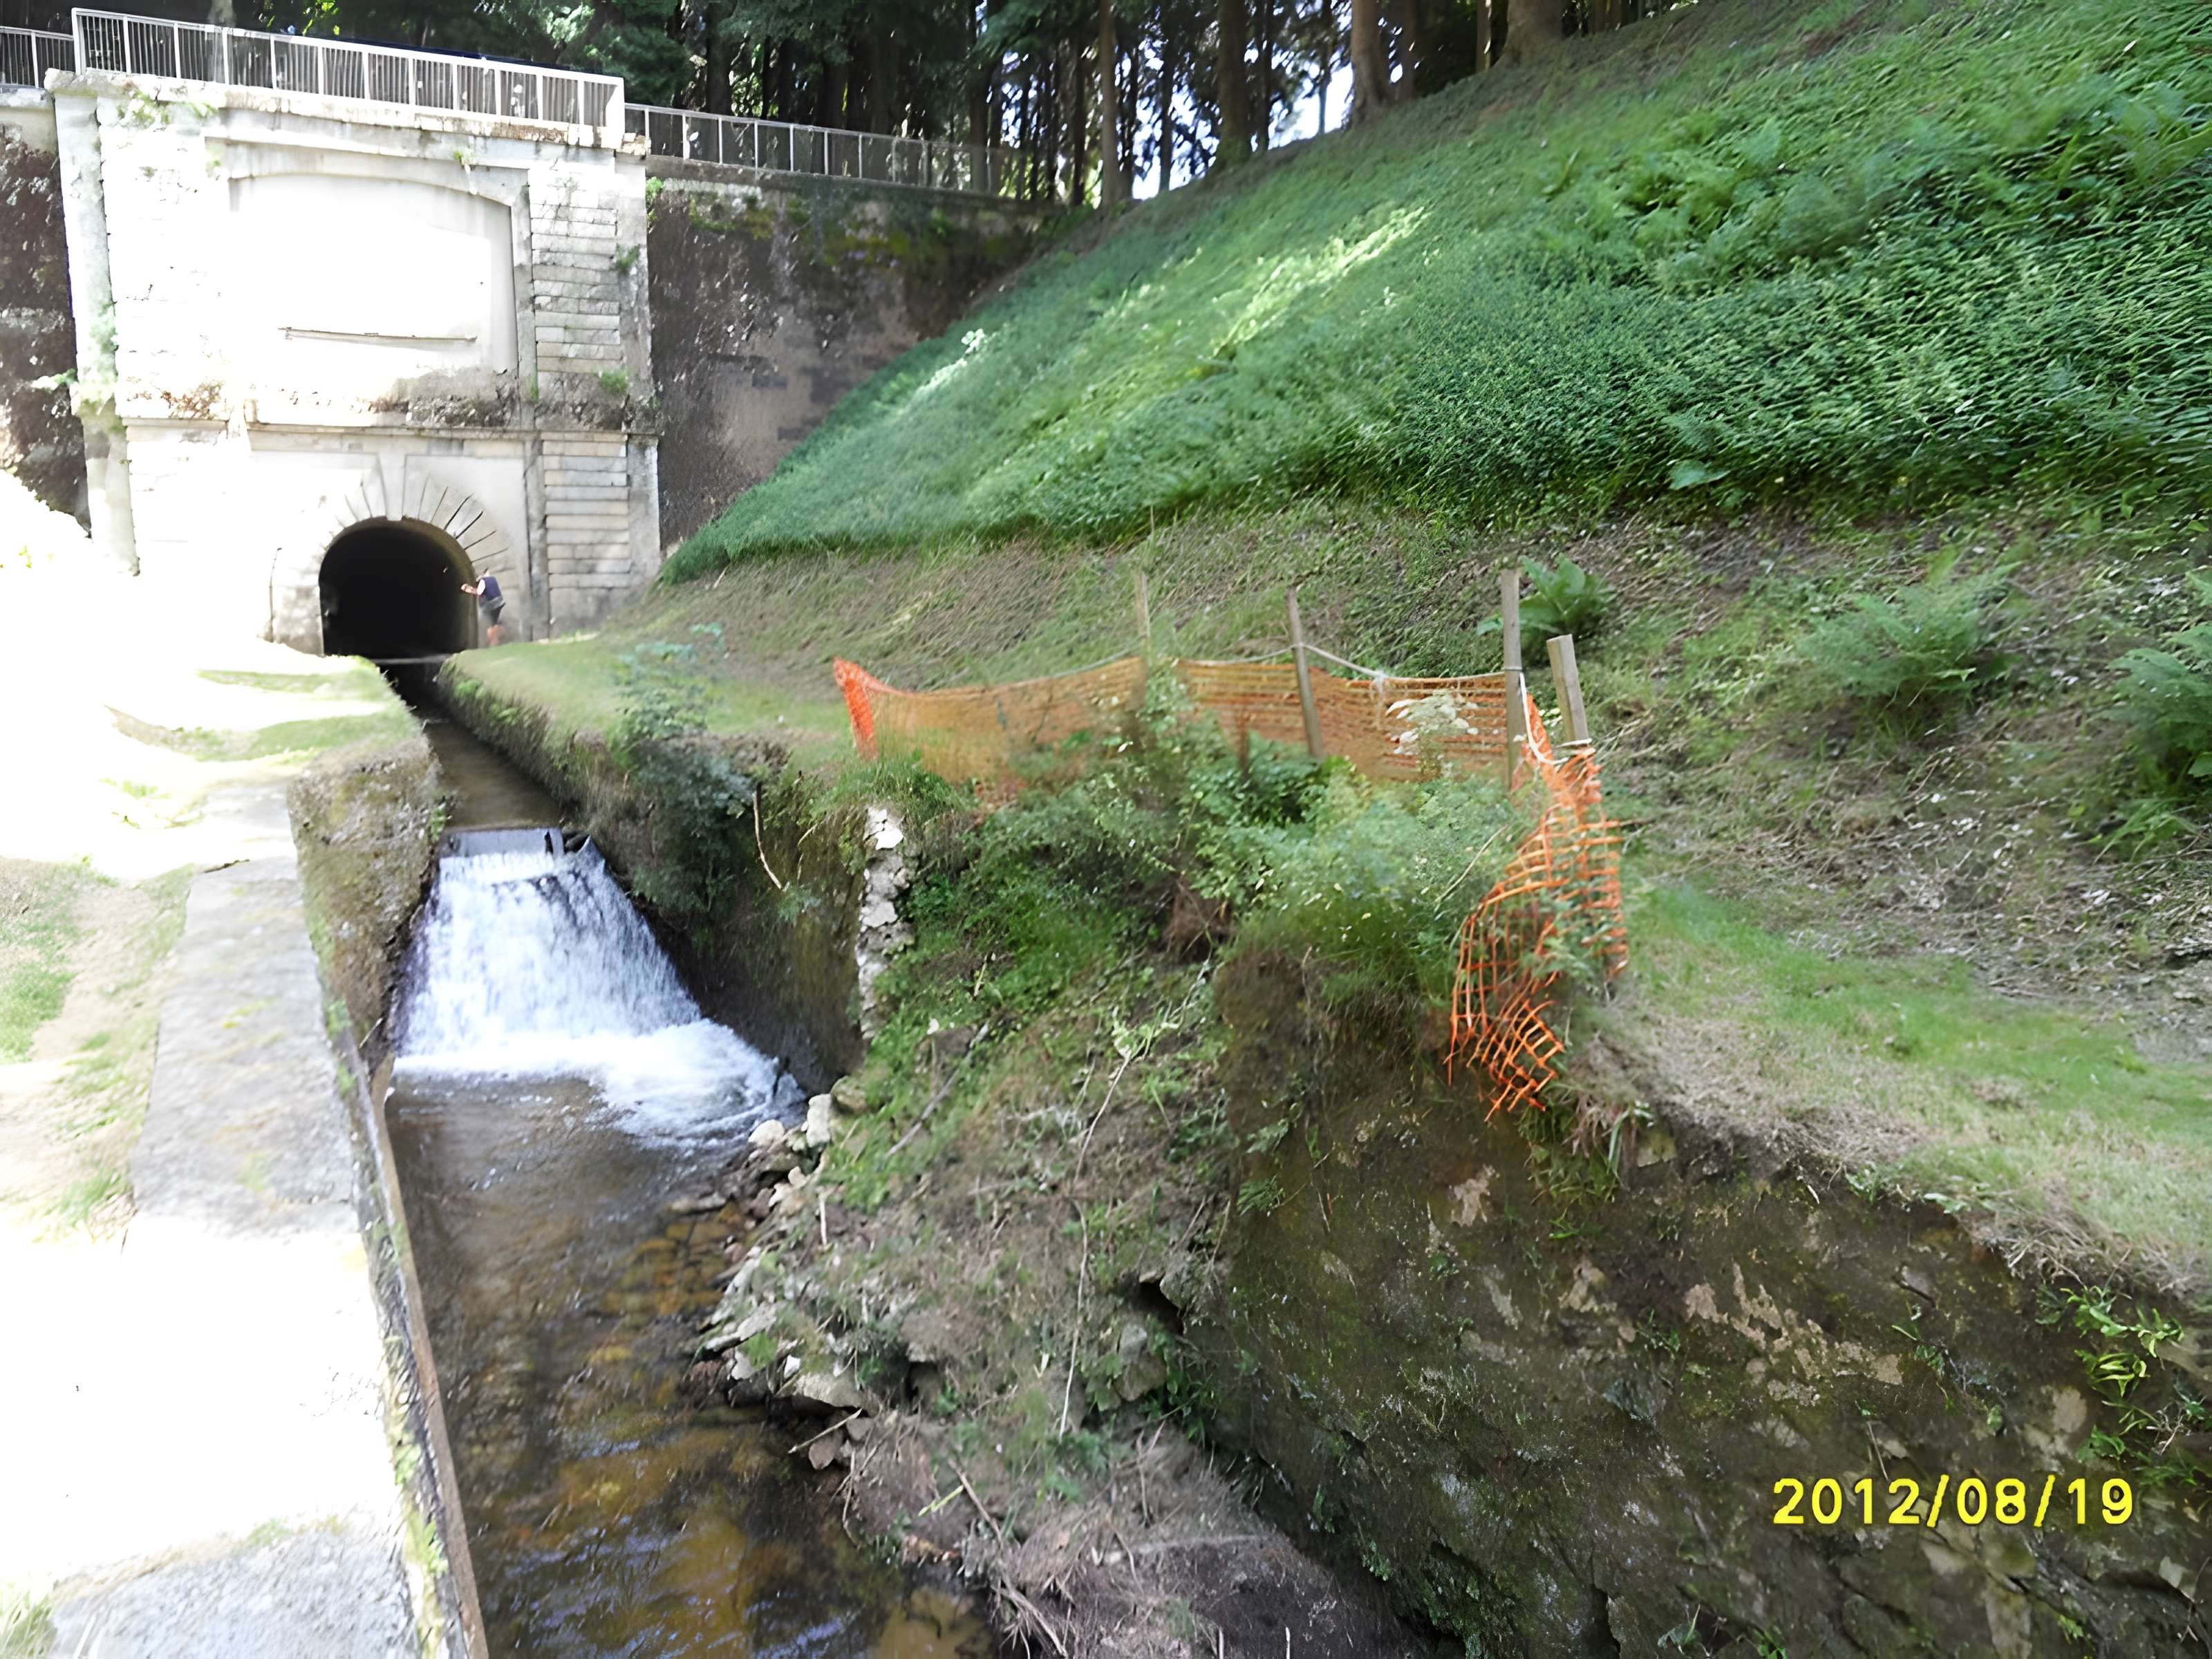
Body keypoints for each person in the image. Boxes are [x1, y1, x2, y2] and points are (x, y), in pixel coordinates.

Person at [462, 574, 506, 646]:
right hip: (500, 602)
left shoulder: (483, 581)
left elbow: (479, 592)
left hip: (491, 604)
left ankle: (493, 640)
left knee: (488, 621)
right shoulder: (493, 578)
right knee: (496, 621)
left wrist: (469, 589)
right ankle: (499, 634)